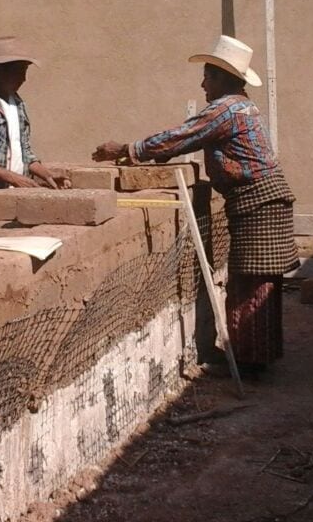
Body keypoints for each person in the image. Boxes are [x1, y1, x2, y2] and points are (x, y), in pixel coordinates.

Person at [93, 35, 298, 379]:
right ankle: (255, 356)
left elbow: (184, 135)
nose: (203, 83)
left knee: (250, 282)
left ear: (223, 78)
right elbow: (187, 140)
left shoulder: (225, 109)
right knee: (259, 281)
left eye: (208, 75)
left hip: (258, 200)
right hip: (263, 199)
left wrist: (128, 148)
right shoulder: (240, 106)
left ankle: (249, 362)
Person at [0, 37, 67, 222]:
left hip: (15, 200)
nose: (23, 79)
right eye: (19, 71)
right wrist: (14, 179)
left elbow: (24, 152)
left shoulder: (17, 103)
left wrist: (47, 175)